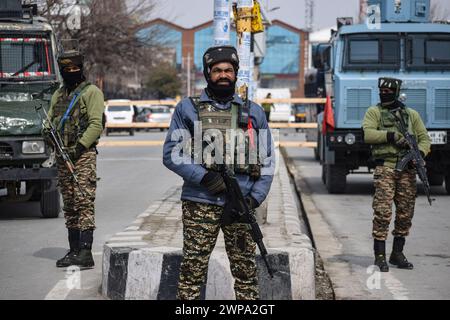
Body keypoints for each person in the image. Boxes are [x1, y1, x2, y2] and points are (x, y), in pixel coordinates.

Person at [163, 45, 275, 300]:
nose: (223, 75)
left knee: (246, 272)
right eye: (217, 71)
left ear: (235, 74)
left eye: (228, 70)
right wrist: (203, 177)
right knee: (192, 269)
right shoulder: (187, 109)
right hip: (200, 202)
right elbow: (172, 153)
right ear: (207, 74)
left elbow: (268, 160)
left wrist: (255, 198)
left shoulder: (253, 112)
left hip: (241, 202)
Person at [362, 77, 431, 272]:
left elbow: (424, 139)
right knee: (383, 212)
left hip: (407, 171)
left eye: (388, 91)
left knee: (405, 214)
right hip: (386, 168)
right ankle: (380, 255)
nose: (385, 94)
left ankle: (397, 253)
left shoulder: (411, 115)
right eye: (382, 91)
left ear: (396, 91)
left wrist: (420, 155)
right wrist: (390, 136)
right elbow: (368, 134)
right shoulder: (374, 112)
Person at [45, 47, 105, 269]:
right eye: (67, 68)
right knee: (69, 203)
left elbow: (96, 124)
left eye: (75, 68)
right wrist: (47, 132)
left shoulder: (91, 92)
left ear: (81, 68)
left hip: (82, 156)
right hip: (62, 155)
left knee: (83, 201)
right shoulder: (59, 94)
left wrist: (78, 148)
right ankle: (73, 250)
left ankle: (86, 251)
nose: (71, 71)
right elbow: (50, 118)